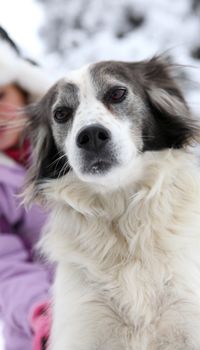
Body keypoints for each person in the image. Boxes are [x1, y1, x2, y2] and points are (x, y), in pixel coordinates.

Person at [0, 27, 53, 350]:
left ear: (23, 87)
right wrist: (43, 313)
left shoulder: (73, 142)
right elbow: (6, 268)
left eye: (0, 96)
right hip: (38, 328)